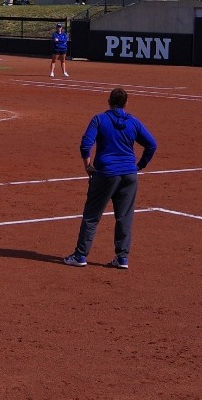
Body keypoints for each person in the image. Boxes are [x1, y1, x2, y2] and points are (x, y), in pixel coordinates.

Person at [63, 87, 157, 269]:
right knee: (125, 217)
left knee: (91, 216)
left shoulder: (99, 119)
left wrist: (87, 166)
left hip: (105, 174)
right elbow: (151, 145)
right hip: (129, 174)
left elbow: (85, 144)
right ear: (126, 103)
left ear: (109, 101)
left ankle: (81, 255)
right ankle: (122, 258)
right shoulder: (133, 122)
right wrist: (140, 165)